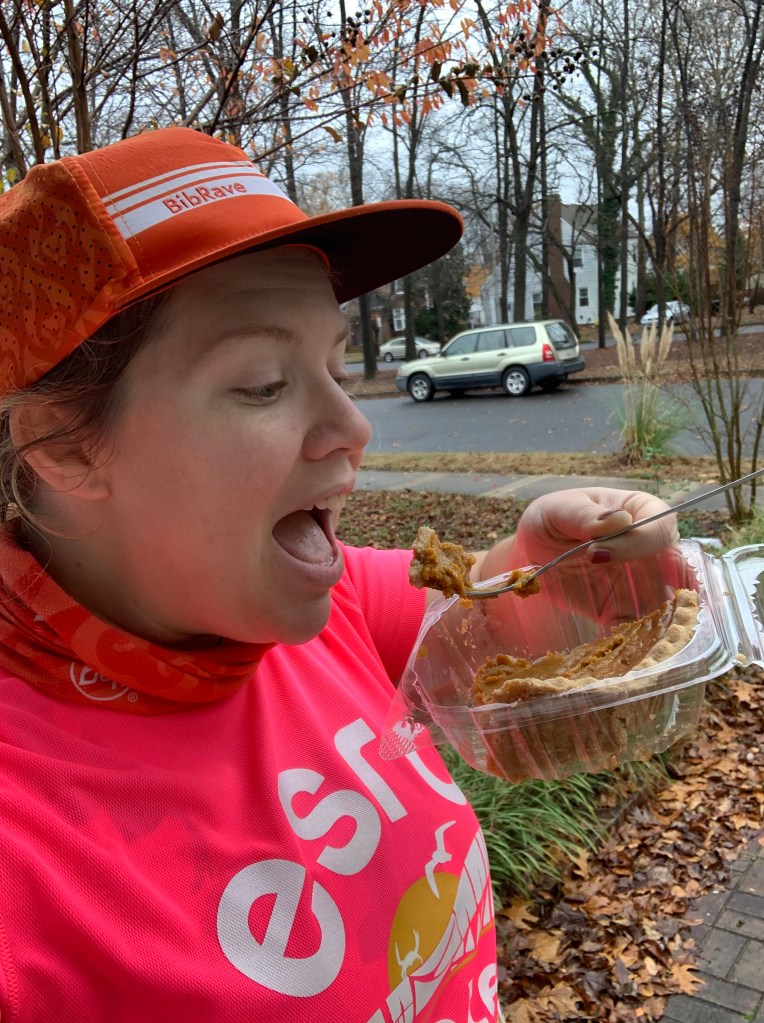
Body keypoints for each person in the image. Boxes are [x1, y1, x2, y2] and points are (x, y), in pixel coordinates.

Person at [0, 127, 678, 1023]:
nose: (355, 427)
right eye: (262, 383)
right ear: (64, 446)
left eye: (332, 361)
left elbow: (523, 622)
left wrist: (575, 561)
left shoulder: (335, 600)